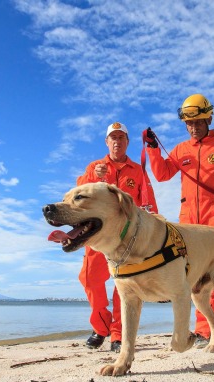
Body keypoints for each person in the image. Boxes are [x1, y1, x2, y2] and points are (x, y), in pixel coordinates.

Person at [143, 94, 214, 346]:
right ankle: (202, 328)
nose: (194, 127)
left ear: (208, 118)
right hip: (188, 218)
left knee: (213, 270)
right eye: (189, 123)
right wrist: (152, 148)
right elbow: (162, 175)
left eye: (198, 122)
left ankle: (205, 332)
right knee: (188, 273)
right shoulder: (181, 149)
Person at [77, 121, 158, 353]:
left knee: (124, 285)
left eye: (121, 137)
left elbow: (148, 202)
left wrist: (155, 226)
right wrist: (93, 176)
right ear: (106, 142)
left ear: (127, 142)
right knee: (90, 279)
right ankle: (101, 326)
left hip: (126, 238)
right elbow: (79, 193)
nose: (117, 141)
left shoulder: (138, 171)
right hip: (97, 235)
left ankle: (118, 335)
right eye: (113, 138)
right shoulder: (95, 166)